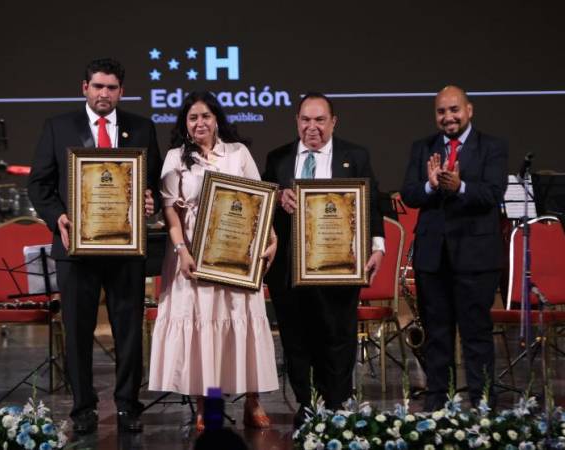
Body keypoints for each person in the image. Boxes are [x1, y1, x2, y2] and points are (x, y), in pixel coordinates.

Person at [28, 58, 163, 433]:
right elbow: (39, 184)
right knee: (77, 331)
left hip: (126, 249)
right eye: (98, 86)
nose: (105, 94)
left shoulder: (142, 127)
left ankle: (127, 407)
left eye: (112, 87)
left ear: (121, 91)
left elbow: (149, 182)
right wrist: (58, 217)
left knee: (129, 331)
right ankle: (83, 409)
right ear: (84, 87)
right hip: (75, 248)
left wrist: (149, 200)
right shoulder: (58, 127)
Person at [148, 91, 279, 432]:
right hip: (193, 258)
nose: (200, 123)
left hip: (237, 258)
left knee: (242, 325)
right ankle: (207, 407)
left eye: (205, 116)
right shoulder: (176, 158)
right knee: (203, 331)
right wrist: (183, 252)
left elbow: (259, 202)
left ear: (216, 118)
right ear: (185, 124)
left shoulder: (238, 154)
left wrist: (272, 237)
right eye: (193, 118)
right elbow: (170, 213)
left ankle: (253, 401)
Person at [262, 92, 385, 427]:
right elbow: (261, 206)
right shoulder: (278, 158)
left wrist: (377, 247)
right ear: (297, 121)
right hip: (290, 268)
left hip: (340, 266)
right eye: (305, 119)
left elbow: (372, 202)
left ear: (333, 122)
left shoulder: (354, 156)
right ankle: (307, 404)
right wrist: (277, 197)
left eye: (319, 120)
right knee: (297, 339)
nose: (311, 127)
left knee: (338, 336)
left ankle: (338, 403)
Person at [400, 85, 508, 410]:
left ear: (469, 110)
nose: (448, 117)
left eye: (454, 110)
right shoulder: (423, 148)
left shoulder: (492, 147)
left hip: (476, 258)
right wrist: (430, 185)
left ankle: (481, 404)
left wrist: (459, 186)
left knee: (476, 334)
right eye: (441, 111)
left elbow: (492, 194)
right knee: (437, 336)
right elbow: (409, 194)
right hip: (433, 260)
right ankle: (438, 406)